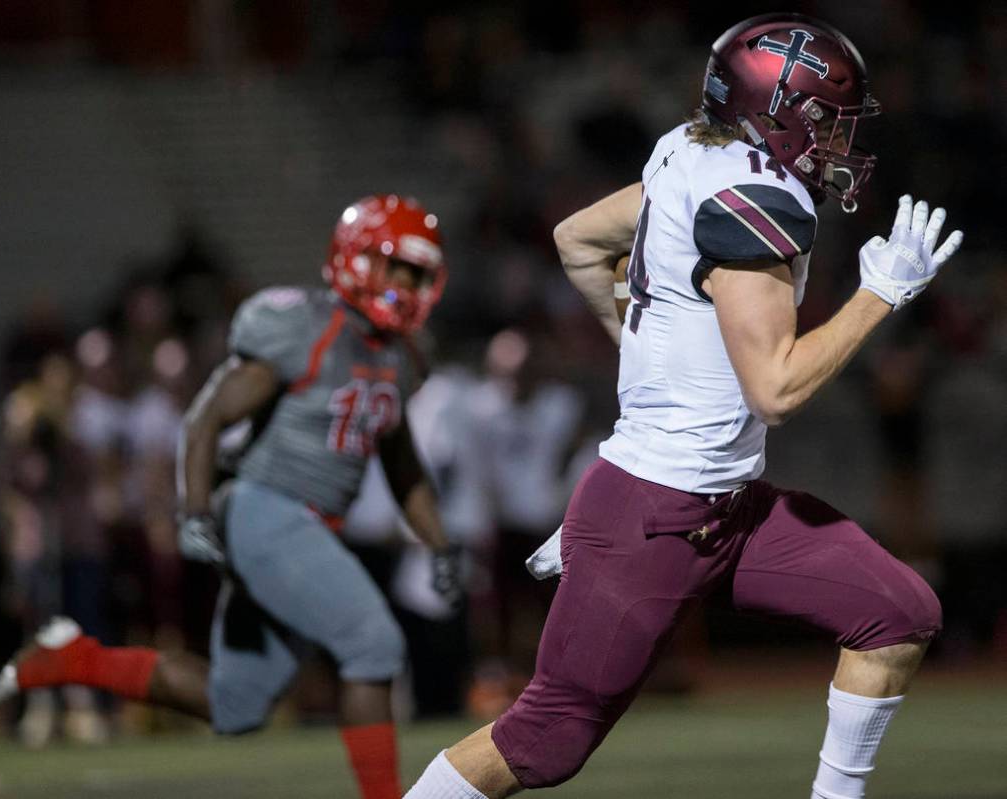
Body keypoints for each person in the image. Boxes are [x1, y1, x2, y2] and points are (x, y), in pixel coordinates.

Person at [403, 14, 963, 799]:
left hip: (721, 505)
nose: (839, 145)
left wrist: (649, 372)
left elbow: (575, 240)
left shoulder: (688, 150)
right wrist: (881, 294)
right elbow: (777, 390)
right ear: (778, 114)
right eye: (827, 123)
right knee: (544, 739)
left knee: (899, 612)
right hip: (657, 512)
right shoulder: (752, 198)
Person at [0, 194, 462, 799]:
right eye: (401, 269)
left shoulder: (400, 358)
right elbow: (205, 417)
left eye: (419, 274)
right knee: (374, 642)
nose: (410, 286)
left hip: (309, 528)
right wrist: (195, 510)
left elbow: (401, 462)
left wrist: (441, 544)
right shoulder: (306, 327)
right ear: (358, 261)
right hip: (266, 509)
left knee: (232, 703)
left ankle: (74, 660)